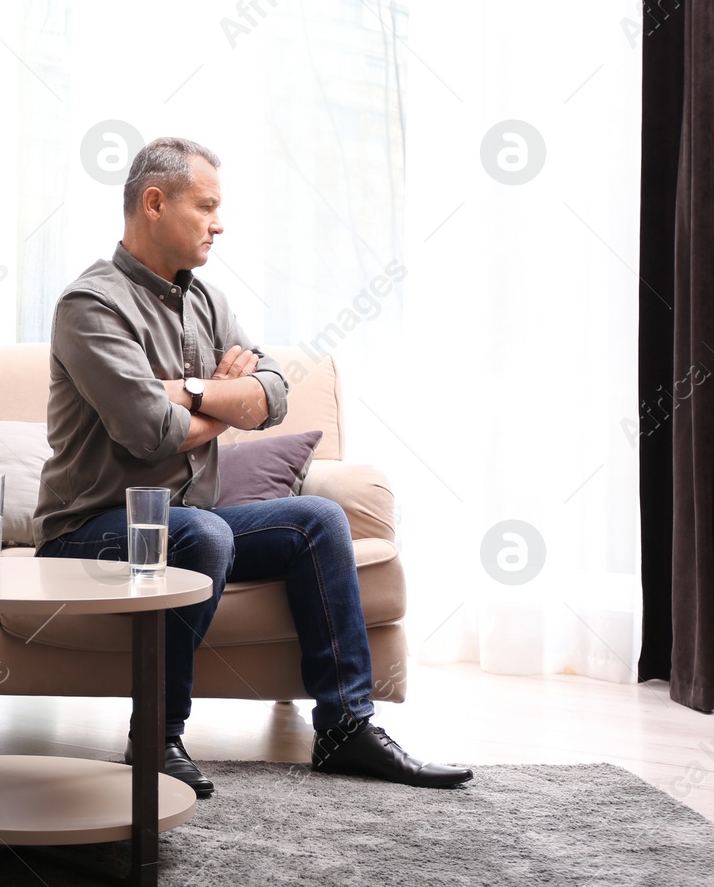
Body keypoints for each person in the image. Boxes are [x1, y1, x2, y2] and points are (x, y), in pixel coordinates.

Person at [33, 135, 471, 797]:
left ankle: (346, 726)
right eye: (205, 205)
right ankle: (155, 734)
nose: (220, 222)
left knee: (319, 520)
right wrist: (213, 399)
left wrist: (195, 391)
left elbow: (274, 394)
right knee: (201, 533)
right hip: (89, 531)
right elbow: (150, 431)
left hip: (189, 520)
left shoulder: (205, 300)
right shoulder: (89, 307)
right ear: (155, 202)